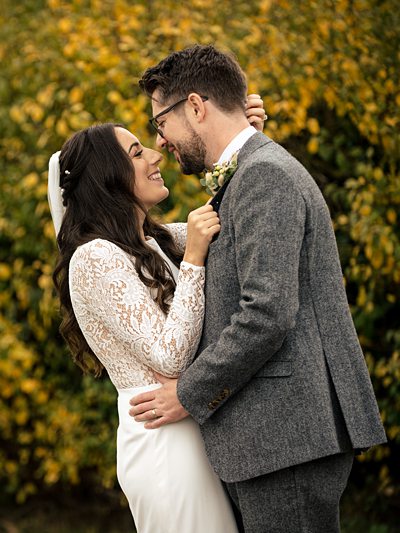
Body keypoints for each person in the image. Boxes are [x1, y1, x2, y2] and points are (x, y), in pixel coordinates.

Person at [130, 44, 387, 533]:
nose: (160, 142)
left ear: (197, 107)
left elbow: (266, 312)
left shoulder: (264, 175)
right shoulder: (250, 174)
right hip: (276, 438)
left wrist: (187, 392)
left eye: (161, 124)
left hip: (285, 436)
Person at [48, 96, 266, 533]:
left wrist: (245, 138)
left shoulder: (153, 240)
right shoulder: (94, 257)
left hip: (187, 425)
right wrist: (196, 259)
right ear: (107, 178)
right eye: (136, 152)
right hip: (161, 441)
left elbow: (229, 216)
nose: (154, 154)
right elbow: (169, 357)